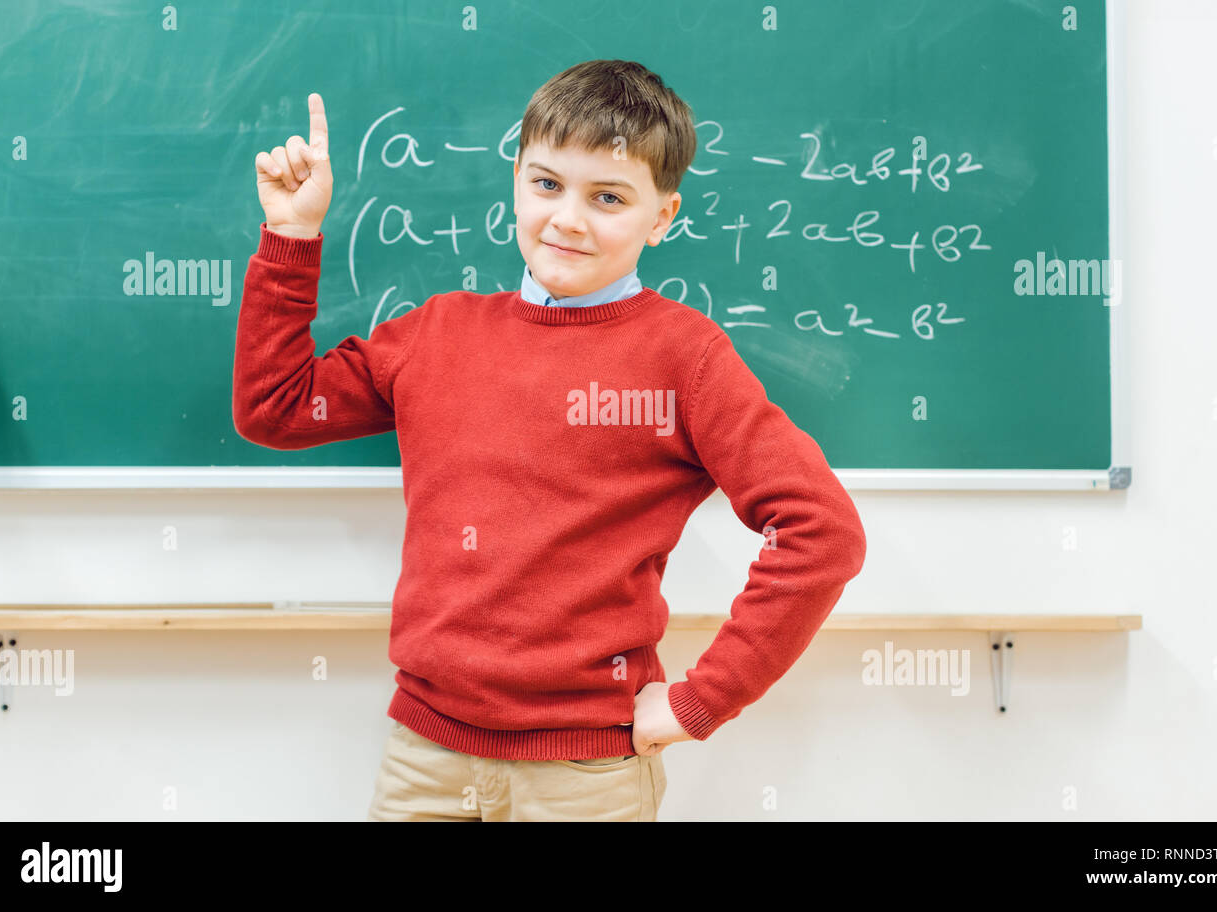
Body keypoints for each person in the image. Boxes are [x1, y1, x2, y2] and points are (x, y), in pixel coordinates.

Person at [235, 60, 867, 821]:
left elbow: (822, 534)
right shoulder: (438, 333)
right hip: (424, 756)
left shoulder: (685, 359)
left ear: (662, 217)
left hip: (586, 774)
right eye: (547, 185)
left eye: (608, 197)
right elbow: (276, 408)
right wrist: (292, 236)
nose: (568, 218)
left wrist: (700, 702)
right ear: (516, 181)